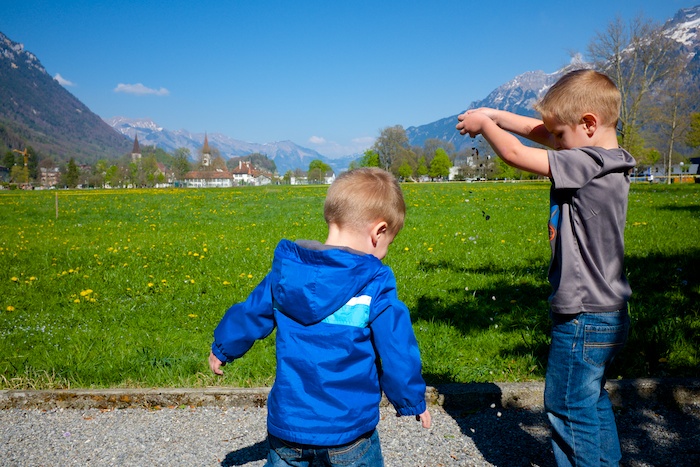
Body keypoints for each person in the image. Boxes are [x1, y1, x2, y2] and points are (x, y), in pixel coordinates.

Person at [456, 69, 634, 467]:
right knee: (589, 400)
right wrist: (495, 113)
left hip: (583, 315)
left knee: (567, 405)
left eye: (559, 136)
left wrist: (486, 125)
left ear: (589, 124)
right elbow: (541, 131)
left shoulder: (589, 163)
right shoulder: (609, 160)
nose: (552, 142)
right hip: (610, 312)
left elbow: (517, 154)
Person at [209, 167, 431, 467]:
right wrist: (410, 399)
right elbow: (397, 348)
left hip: (289, 427)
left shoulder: (287, 272)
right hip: (349, 432)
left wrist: (223, 347)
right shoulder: (374, 282)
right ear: (378, 232)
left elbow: (251, 312)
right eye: (389, 242)